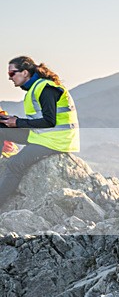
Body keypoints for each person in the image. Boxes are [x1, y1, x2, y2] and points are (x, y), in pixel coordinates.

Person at [1, 56, 80, 206]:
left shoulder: (45, 88)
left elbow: (49, 121)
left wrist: (17, 122)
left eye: (12, 74)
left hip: (56, 140)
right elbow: (39, 118)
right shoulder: (35, 88)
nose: (10, 78)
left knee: (14, 165)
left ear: (25, 72)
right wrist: (13, 121)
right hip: (42, 135)